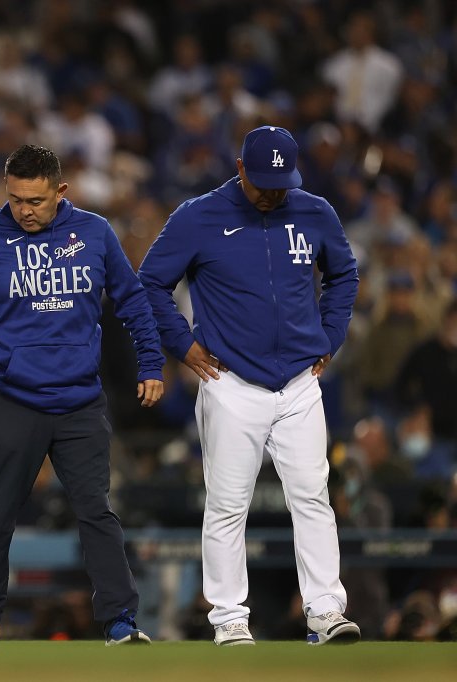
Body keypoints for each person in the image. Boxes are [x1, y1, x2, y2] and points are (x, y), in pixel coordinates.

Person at [0, 144, 165, 645]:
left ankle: (121, 622)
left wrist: (150, 362)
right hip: (13, 397)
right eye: (15, 199)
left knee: (97, 511)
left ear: (60, 191)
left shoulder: (96, 233)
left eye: (35, 200)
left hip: (80, 399)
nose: (24, 210)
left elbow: (133, 302)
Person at [137, 125, 362, 646]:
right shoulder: (199, 216)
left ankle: (326, 611)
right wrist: (181, 344)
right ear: (240, 169)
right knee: (227, 502)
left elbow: (344, 275)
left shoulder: (313, 211)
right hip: (231, 381)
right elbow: (149, 281)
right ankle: (229, 618)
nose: (273, 192)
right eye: (264, 182)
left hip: (301, 382)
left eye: (282, 182)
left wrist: (331, 335)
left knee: (313, 497)